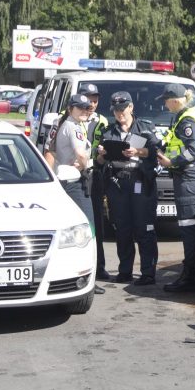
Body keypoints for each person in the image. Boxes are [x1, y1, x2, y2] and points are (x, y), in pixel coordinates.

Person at [97, 91, 160, 285]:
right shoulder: (108, 132)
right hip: (118, 184)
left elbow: (158, 152)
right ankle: (125, 271)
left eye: (122, 109)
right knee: (122, 229)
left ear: (131, 107)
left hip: (140, 181)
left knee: (144, 228)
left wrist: (138, 151)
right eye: (116, 110)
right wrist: (102, 153)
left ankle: (148, 273)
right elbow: (99, 161)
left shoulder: (145, 128)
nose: (119, 113)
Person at [44, 93, 104, 294]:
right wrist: (89, 160)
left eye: (86, 108)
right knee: (89, 230)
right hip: (75, 181)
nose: (84, 111)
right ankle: (89, 279)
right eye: (79, 108)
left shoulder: (69, 124)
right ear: (70, 109)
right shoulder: (72, 126)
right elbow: (80, 155)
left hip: (68, 180)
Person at [157, 83, 195, 293]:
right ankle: (193, 272)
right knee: (192, 228)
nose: (164, 103)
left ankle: (191, 277)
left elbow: (194, 151)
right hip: (192, 176)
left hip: (189, 177)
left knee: (189, 229)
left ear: (176, 100)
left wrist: (172, 162)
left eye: (166, 100)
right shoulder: (185, 115)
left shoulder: (186, 119)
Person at [80, 82, 112, 282]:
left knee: (96, 224)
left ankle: (99, 267)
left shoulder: (102, 121)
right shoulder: (70, 118)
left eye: (95, 100)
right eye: (88, 99)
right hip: (75, 177)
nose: (92, 104)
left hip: (95, 175)